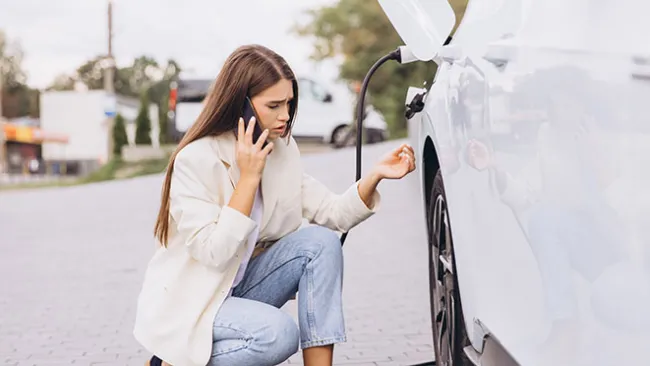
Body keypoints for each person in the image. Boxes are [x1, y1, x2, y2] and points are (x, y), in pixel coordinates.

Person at [133, 44, 416, 366]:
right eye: (274, 105)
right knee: (277, 334)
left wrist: (375, 175)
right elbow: (214, 252)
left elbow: (333, 213)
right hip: (196, 300)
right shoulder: (196, 159)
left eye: (289, 103)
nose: (285, 115)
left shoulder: (281, 149)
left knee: (321, 242)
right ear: (241, 105)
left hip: (244, 288)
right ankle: (169, 363)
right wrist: (249, 178)